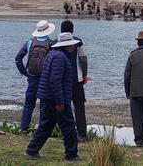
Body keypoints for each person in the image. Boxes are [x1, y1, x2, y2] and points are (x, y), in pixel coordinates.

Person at [26, 33, 82, 161]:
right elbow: (55, 81)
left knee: (46, 125)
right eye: (71, 44)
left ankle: (32, 149)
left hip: (48, 97)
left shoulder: (54, 54)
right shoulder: (60, 57)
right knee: (68, 126)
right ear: (66, 45)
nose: (73, 46)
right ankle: (71, 154)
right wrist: (60, 101)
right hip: (55, 98)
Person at [16, 20, 55, 134]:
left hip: (32, 77)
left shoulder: (30, 43)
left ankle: (24, 128)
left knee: (29, 103)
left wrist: (24, 72)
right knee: (44, 104)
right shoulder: (51, 44)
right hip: (45, 78)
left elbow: (18, 58)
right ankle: (42, 129)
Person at [57, 20, 90, 142]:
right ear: (72, 30)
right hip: (76, 79)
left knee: (63, 106)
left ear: (61, 30)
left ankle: (64, 132)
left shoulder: (55, 42)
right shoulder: (78, 42)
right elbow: (83, 59)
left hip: (60, 80)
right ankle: (82, 134)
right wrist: (85, 75)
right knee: (79, 107)